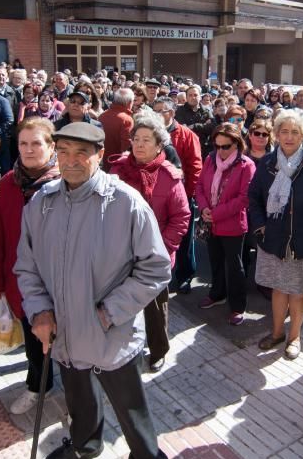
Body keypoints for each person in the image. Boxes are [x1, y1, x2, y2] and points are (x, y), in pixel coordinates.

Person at [14, 122, 171, 459]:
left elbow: (156, 268)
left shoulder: (127, 203)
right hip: (65, 334)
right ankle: (86, 445)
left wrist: (108, 313)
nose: (70, 161)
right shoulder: (41, 203)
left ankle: (147, 456)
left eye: (81, 153)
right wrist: (39, 310)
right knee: (79, 399)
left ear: (99, 155)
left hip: (110, 334)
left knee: (130, 408)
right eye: (64, 152)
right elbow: (27, 266)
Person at [0, 117, 59, 415]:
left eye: (36, 143)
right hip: (22, 281)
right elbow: (0, 235)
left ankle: (85, 393)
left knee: (74, 344)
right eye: (23, 144)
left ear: (51, 146)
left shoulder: (67, 180)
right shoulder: (7, 184)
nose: (28, 150)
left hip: (61, 279)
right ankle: (38, 386)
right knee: (34, 342)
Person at [109, 113, 190, 372]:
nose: (140, 144)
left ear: (159, 145)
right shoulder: (117, 170)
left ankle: (157, 350)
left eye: (147, 140)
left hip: (156, 256)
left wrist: (159, 251)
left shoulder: (169, 176)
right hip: (119, 253)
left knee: (155, 308)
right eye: (136, 139)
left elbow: (180, 217)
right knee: (119, 301)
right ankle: (120, 346)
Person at [249, 110, 303, 359]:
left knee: (298, 292)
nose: (289, 136)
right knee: (278, 289)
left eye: (295, 132)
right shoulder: (267, 163)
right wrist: (260, 225)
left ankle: (294, 337)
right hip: (274, 237)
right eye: (284, 131)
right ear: (276, 134)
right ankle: (276, 333)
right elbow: (253, 197)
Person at [193, 122, 256, 326]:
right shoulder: (210, 159)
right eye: (217, 145)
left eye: (225, 146)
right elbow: (200, 186)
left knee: (234, 266)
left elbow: (244, 198)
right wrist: (203, 208)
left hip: (233, 225)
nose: (220, 150)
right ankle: (217, 294)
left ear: (237, 143)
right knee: (215, 260)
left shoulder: (246, 165)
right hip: (211, 222)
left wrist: (216, 213)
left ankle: (237, 306)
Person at [153, 97, 202, 295]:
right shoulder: (151, 133)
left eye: (160, 111)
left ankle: (185, 276)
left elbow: (195, 168)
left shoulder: (187, 135)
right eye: (154, 110)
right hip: (155, 198)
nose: (156, 114)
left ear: (171, 113)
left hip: (180, 198)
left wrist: (187, 195)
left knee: (184, 239)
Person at [98, 88, 135, 169]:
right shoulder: (127, 120)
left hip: (101, 163)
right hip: (117, 166)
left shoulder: (102, 115)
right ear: (129, 103)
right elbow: (126, 147)